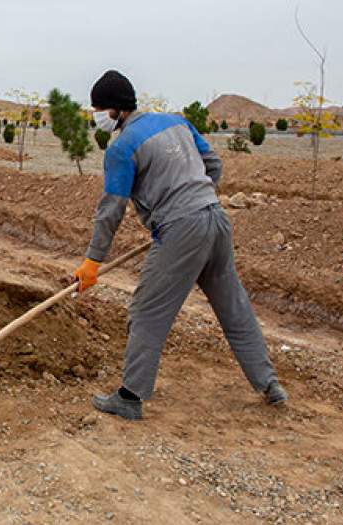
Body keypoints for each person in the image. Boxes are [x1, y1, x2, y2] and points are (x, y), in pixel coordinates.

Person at [74, 70, 287, 421]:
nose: (96, 116)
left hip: (182, 230)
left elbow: (111, 209)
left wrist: (92, 262)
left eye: (98, 109)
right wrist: (196, 197)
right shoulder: (177, 123)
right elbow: (213, 165)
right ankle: (269, 384)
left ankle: (129, 397)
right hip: (216, 220)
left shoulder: (121, 147)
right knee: (234, 307)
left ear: (114, 110)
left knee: (147, 310)